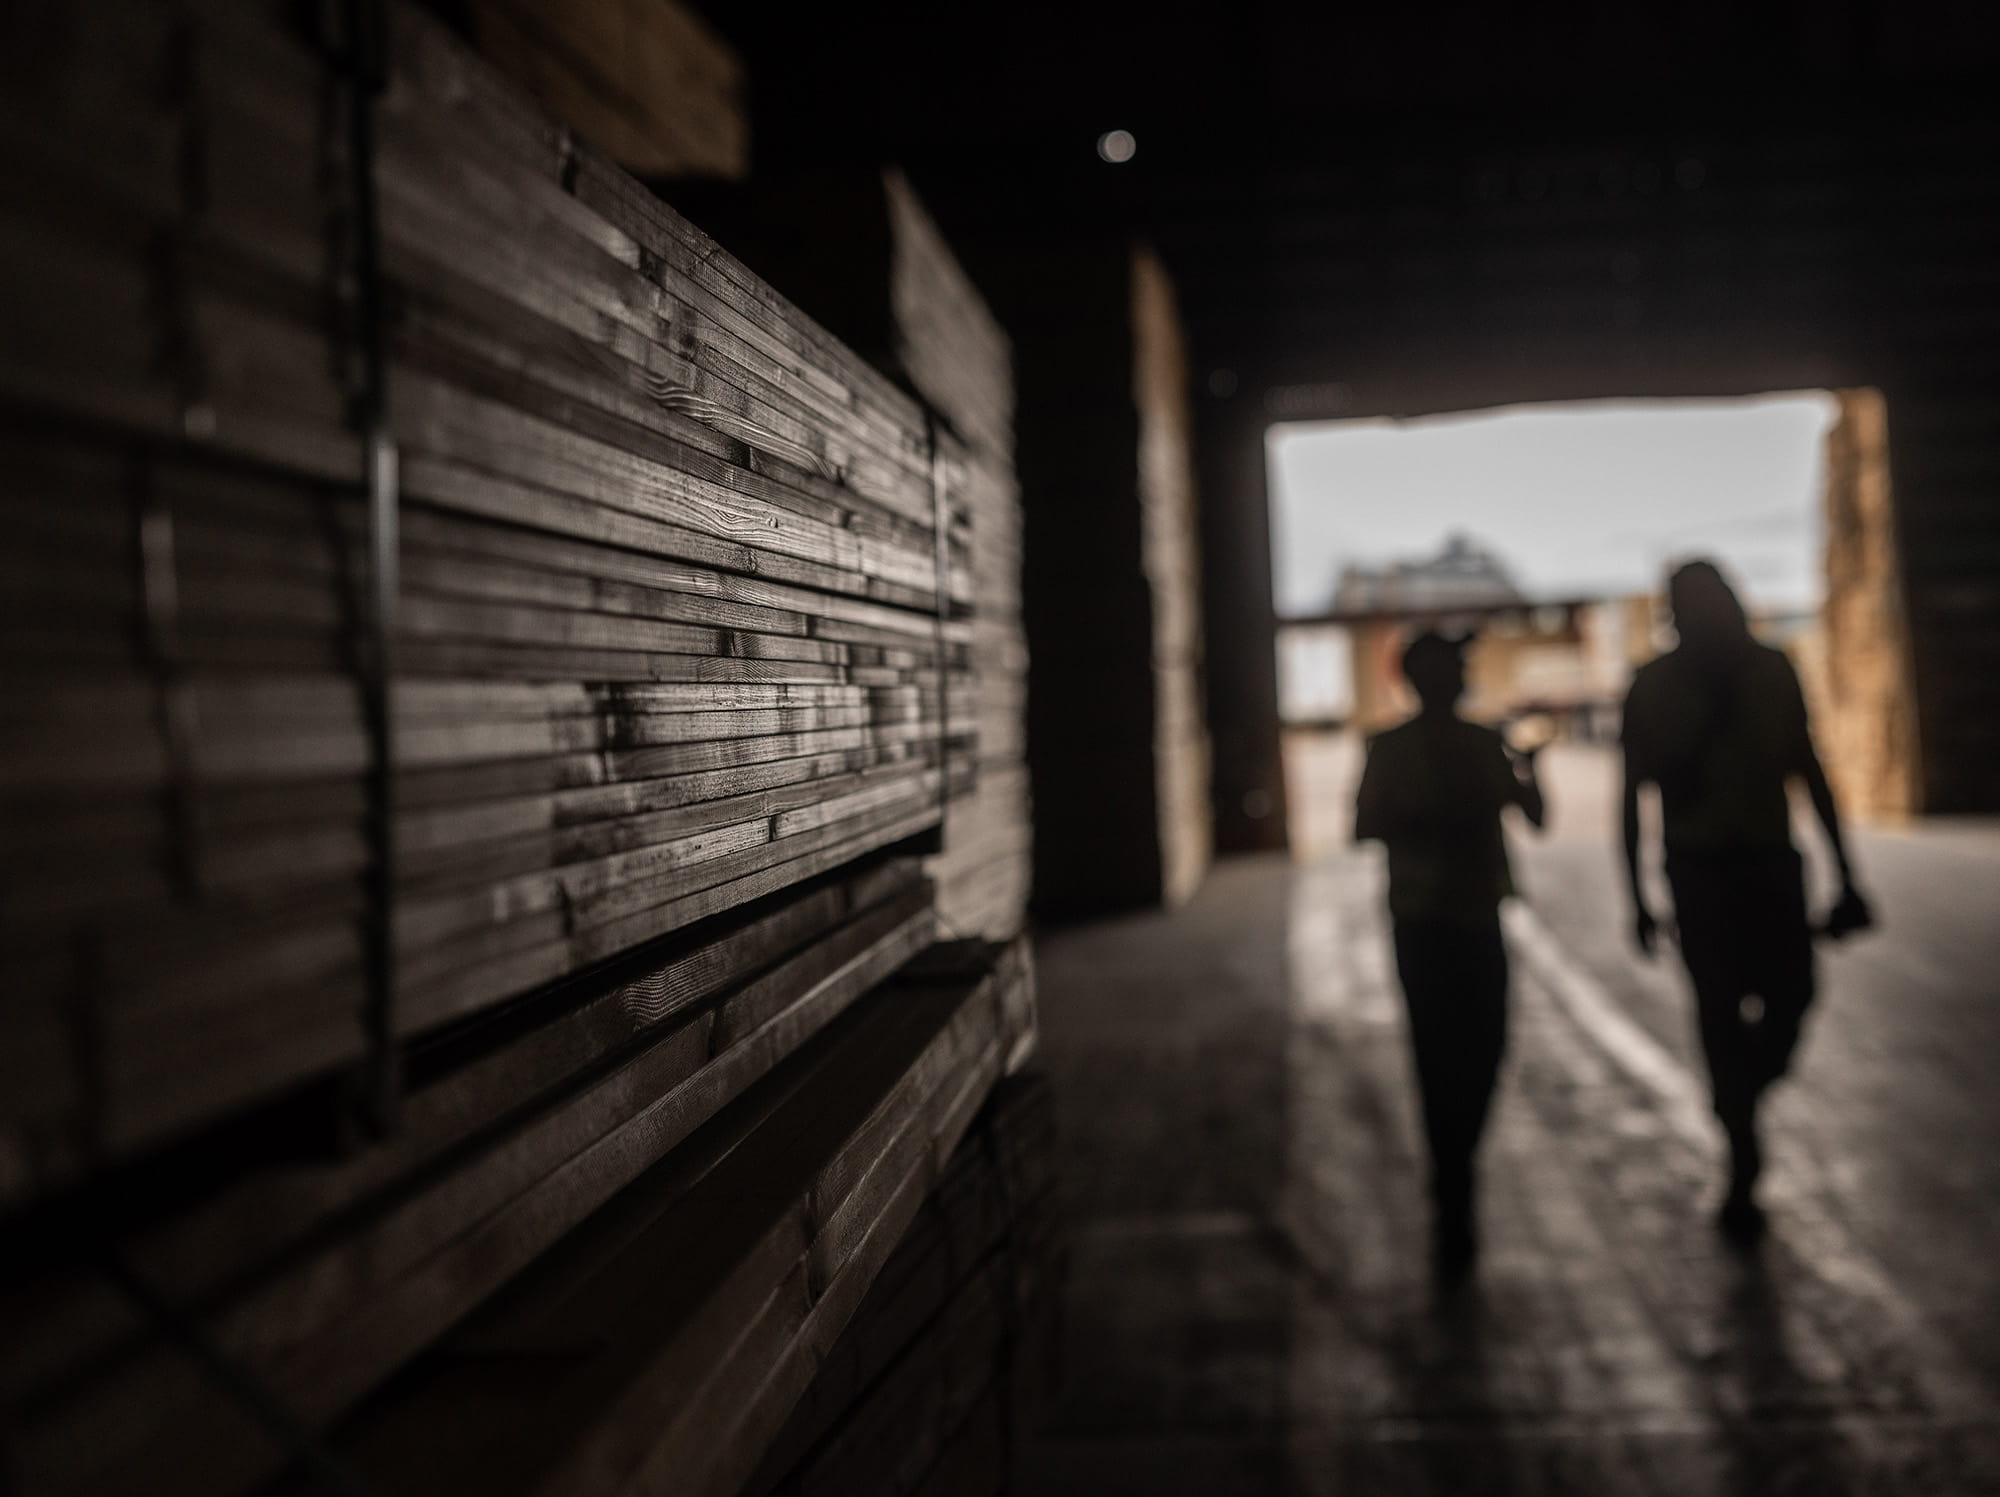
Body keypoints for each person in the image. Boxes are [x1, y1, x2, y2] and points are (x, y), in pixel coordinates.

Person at [1620, 559, 1874, 1240]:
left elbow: (1808, 767)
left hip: (1766, 862)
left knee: (1791, 997)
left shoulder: (1772, 671)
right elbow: (1631, 793)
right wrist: (1636, 895)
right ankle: (1740, 1141)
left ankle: (1740, 1099)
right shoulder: (1652, 687)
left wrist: (1846, 871)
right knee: (1719, 1012)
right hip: (1700, 870)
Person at [1354, 630, 1546, 1281]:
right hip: (1427, 922)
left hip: (1469, 918)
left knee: (1484, 1048)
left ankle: (1455, 1168)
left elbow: (1535, 813)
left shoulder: (1481, 742)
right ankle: (1452, 1182)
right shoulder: (1392, 750)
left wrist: (1527, 766)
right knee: (1442, 1058)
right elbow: (1365, 825)